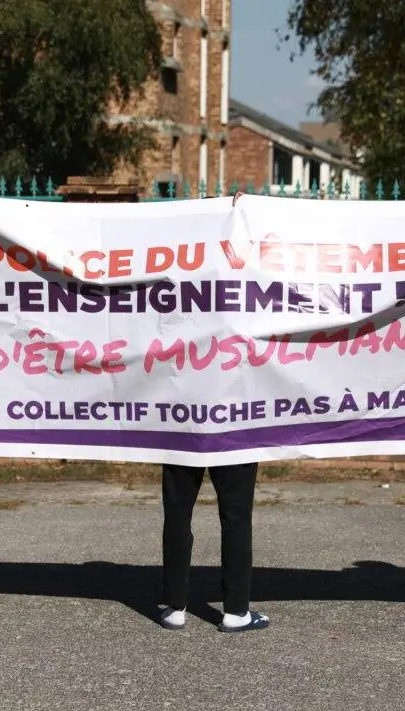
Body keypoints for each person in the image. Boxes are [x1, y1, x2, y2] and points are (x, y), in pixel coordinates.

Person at [157, 190, 268, 633]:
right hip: (236, 415)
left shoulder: (175, 283)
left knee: (178, 513)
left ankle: (174, 606)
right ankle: (235, 610)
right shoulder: (252, 287)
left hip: (182, 410)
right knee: (236, 515)